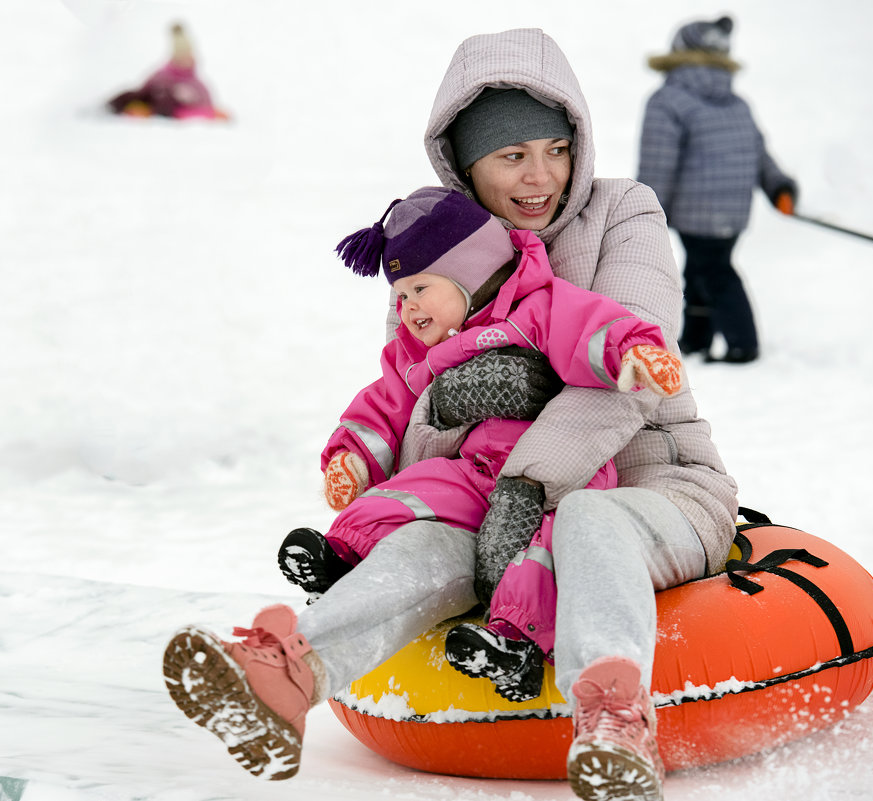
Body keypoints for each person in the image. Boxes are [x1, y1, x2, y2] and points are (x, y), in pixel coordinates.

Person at [163, 28, 738, 801]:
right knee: (426, 548)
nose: (541, 176)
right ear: (465, 165)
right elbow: (413, 403)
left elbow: (631, 368)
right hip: (487, 503)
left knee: (584, 524)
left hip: (655, 489)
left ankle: (612, 721)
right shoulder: (437, 247)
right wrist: (385, 461)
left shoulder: (621, 212)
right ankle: (290, 674)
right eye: (510, 157)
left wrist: (526, 478)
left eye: (555, 148)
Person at [277, 185, 682, 702]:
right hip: (472, 473)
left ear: (466, 272)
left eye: (421, 289)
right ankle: (345, 555)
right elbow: (383, 404)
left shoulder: (538, 310)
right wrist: (351, 459)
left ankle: (514, 639)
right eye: (401, 296)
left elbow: (592, 329)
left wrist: (635, 353)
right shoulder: (415, 353)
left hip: (552, 472)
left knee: (546, 547)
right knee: (408, 492)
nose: (408, 308)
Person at [637, 15, 797, 363]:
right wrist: (778, 187)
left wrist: (643, 213)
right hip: (733, 213)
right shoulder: (737, 104)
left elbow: (657, 164)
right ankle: (696, 339)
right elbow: (760, 154)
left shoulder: (667, 101)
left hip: (697, 215)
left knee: (715, 273)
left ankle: (744, 345)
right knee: (700, 271)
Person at [107, 22, 223, 120]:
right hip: (148, 99)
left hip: (164, 110)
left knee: (167, 96)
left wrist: (188, 99)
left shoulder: (195, 84)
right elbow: (143, 89)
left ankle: (146, 110)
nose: (184, 60)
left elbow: (205, 105)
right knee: (132, 95)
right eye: (181, 57)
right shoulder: (162, 74)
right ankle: (108, 108)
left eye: (187, 57)